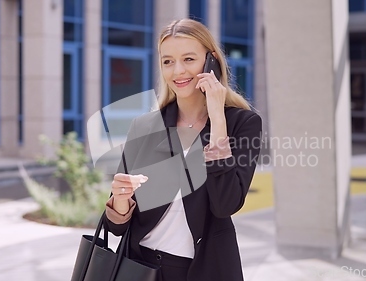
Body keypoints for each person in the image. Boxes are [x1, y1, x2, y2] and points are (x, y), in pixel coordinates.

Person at [104, 18, 262, 281]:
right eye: (168, 61)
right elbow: (116, 228)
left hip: (204, 270)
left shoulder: (242, 124)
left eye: (189, 59)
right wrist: (120, 202)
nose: (178, 71)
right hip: (139, 268)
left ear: (210, 61)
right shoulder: (145, 127)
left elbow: (226, 204)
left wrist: (218, 119)